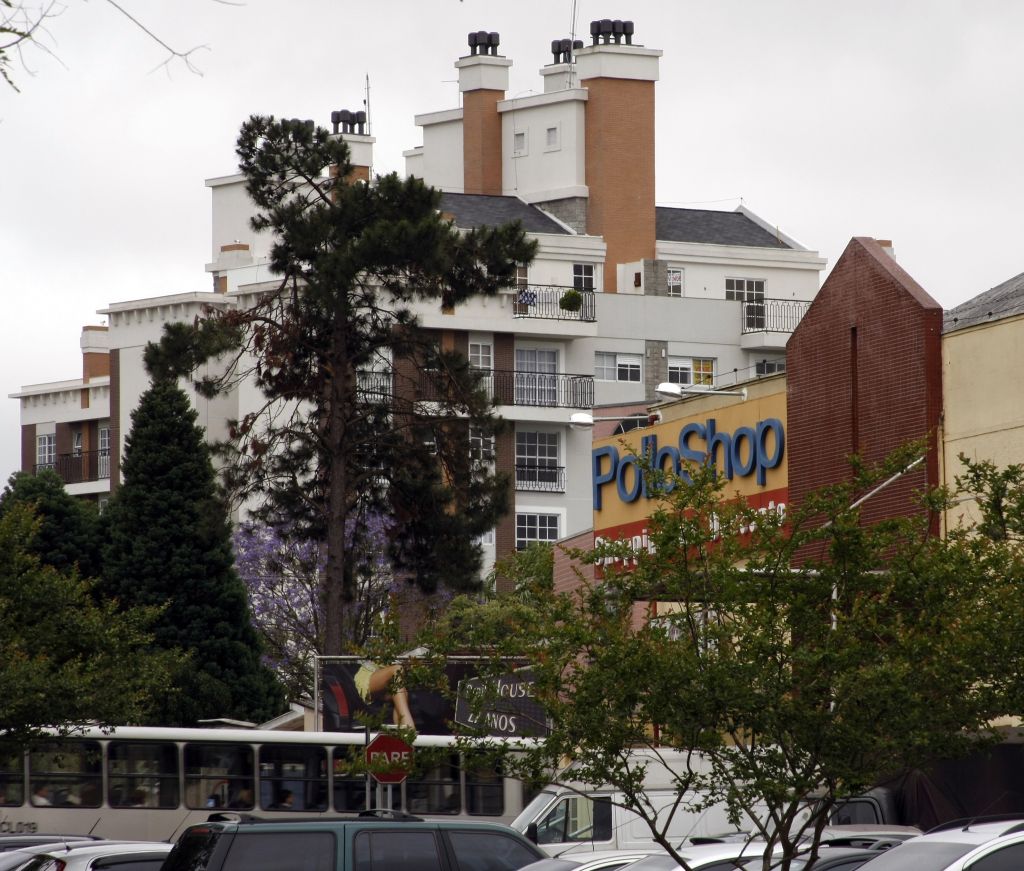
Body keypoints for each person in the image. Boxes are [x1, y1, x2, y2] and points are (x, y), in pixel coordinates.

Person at [353, 660, 416, 730]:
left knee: (402, 691)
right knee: (397, 670)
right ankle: (409, 727)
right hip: (369, 675)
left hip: (391, 683)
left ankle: (403, 734)